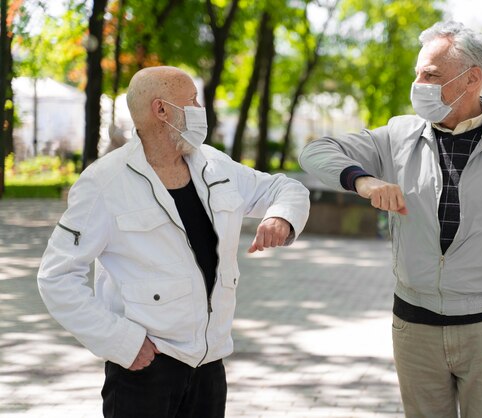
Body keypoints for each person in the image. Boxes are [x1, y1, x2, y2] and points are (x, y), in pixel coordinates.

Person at [299, 21, 482, 418]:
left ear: (471, 79)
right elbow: (316, 151)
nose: (418, 83)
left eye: (431, 75)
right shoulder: (396, 135)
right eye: (418, 72)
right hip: (413, 330)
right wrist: (365, 182)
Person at [37, 66, 309, 418]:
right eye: (192, 101)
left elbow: (284, 187)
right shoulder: (105, 183)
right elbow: (56, 277)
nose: (200, 109)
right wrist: (120, 342)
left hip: (209, 365)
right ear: (161, 110)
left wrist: (281, 216)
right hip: (145, 368)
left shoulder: (215, 165)